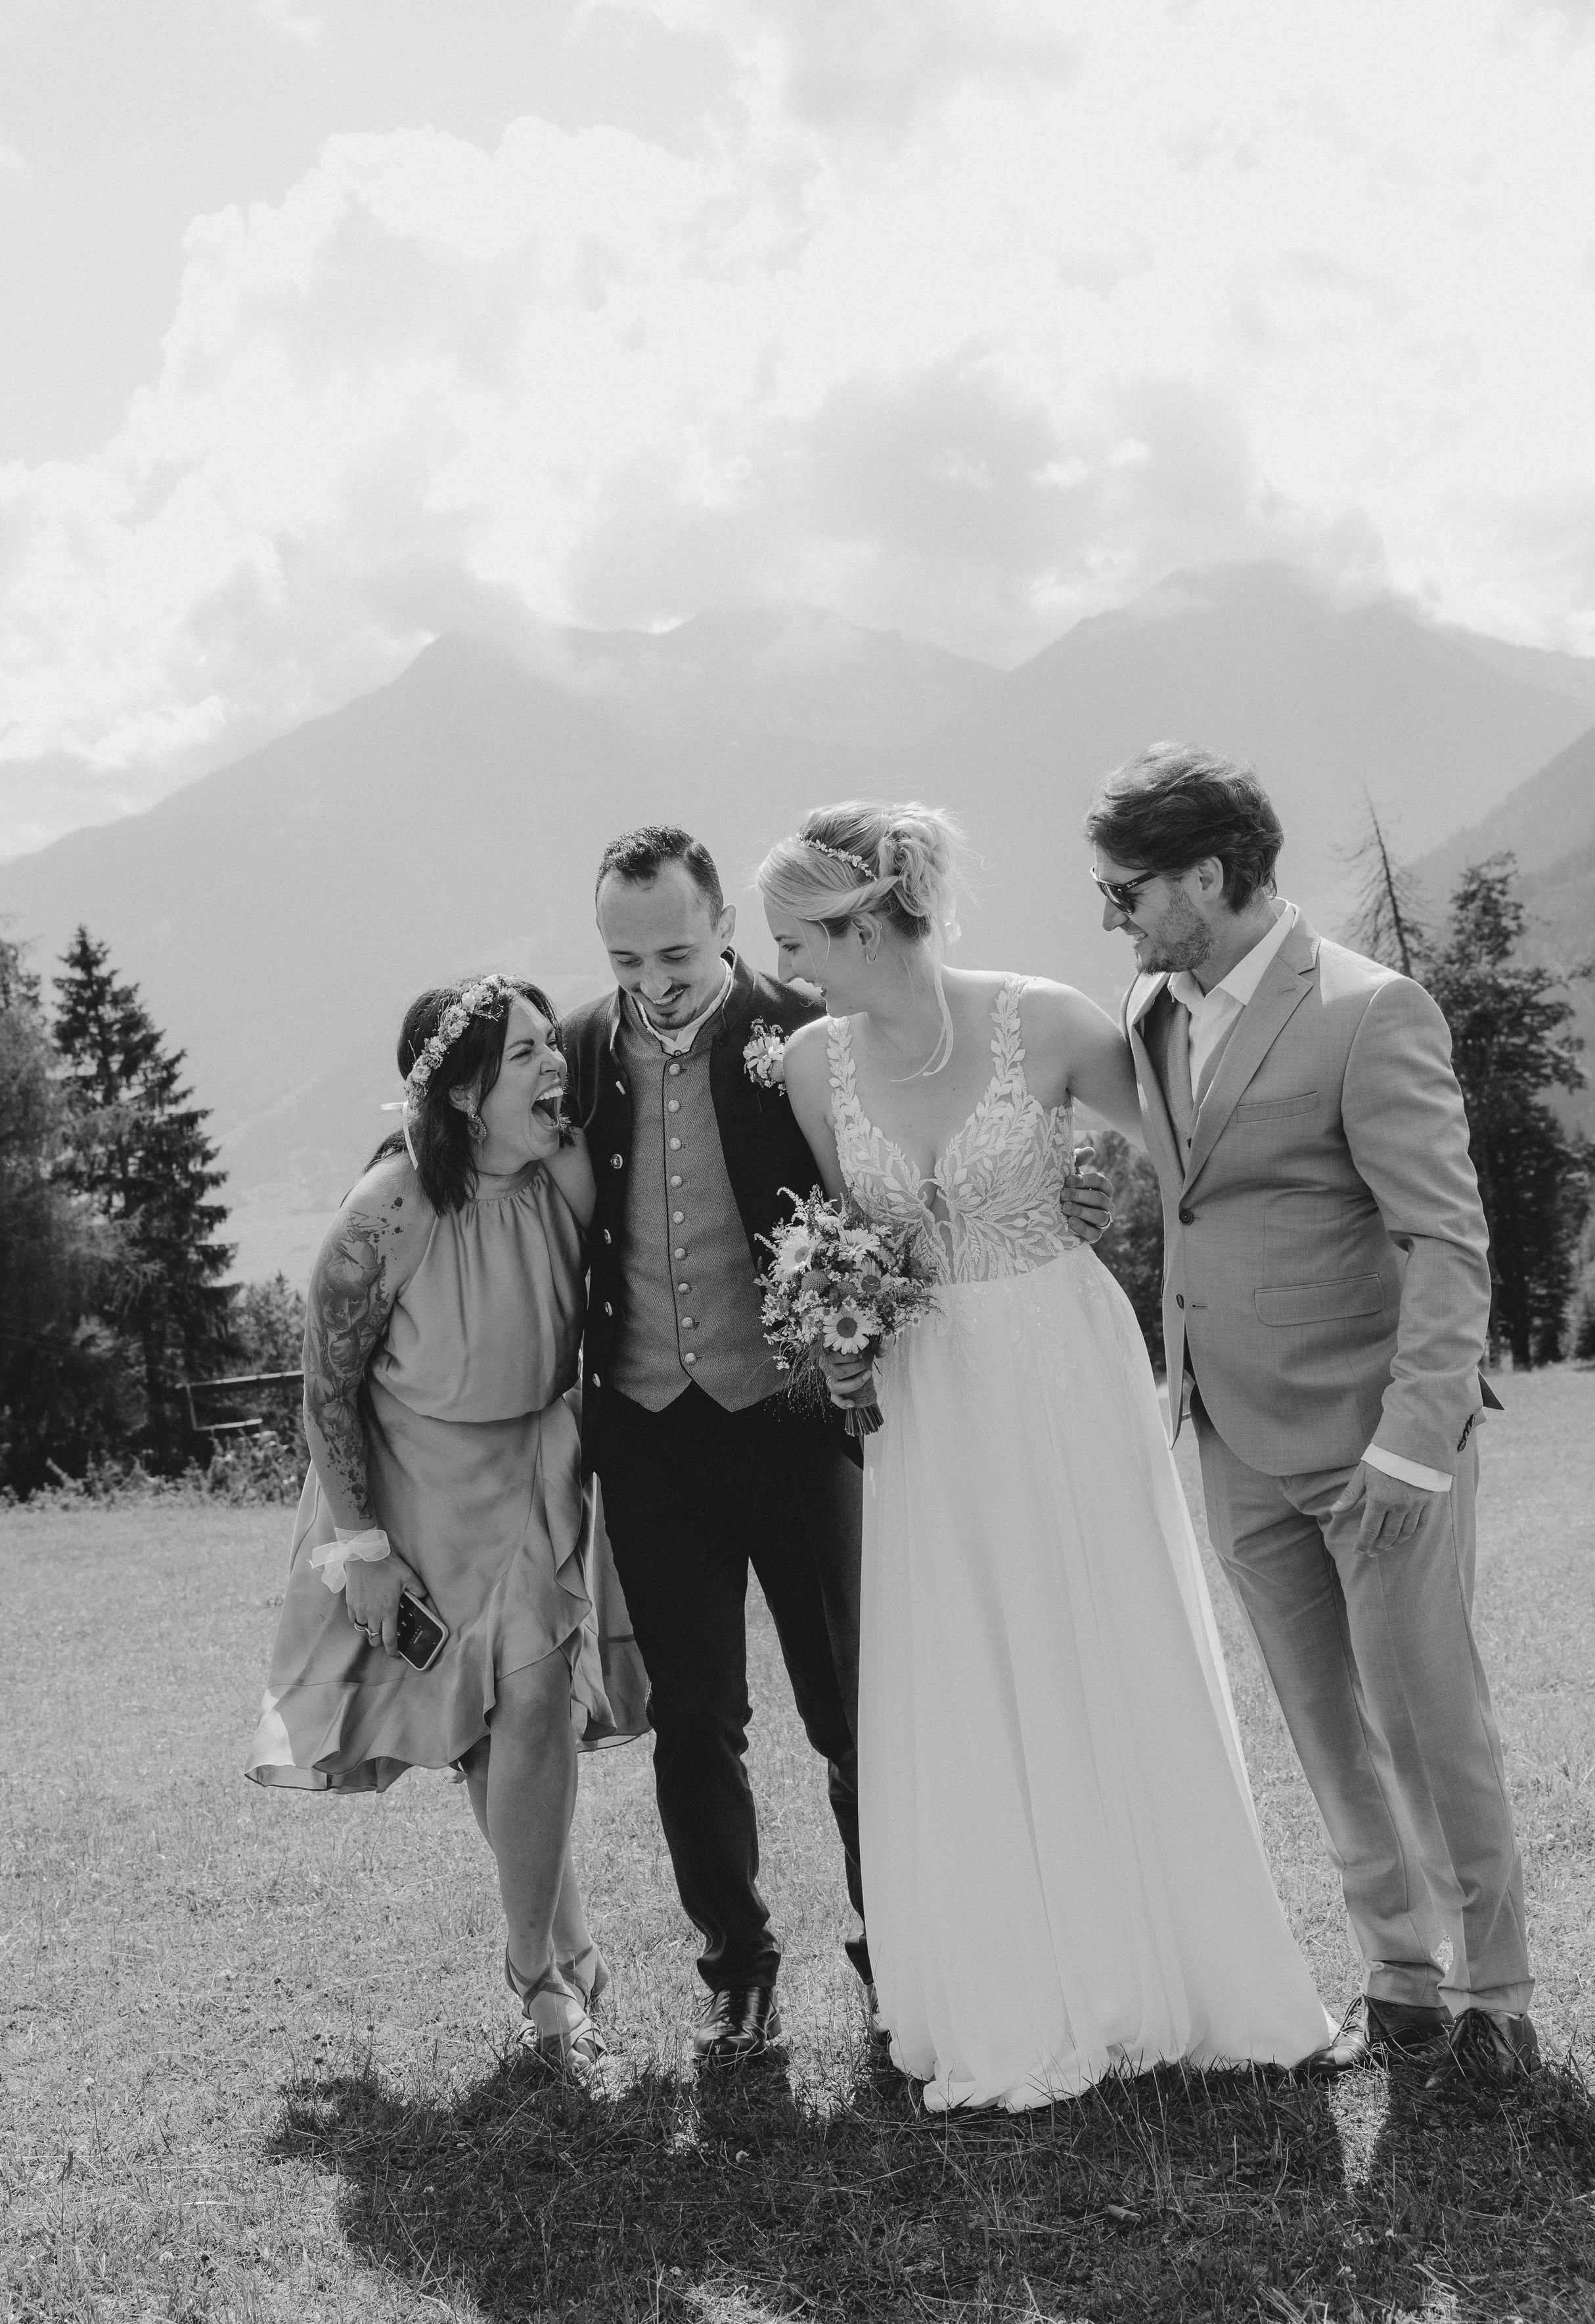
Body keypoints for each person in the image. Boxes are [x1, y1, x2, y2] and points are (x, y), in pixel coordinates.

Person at [762, 801, 1332, 2112]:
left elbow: (1183, 1164)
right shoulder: (809, 1067)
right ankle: (1007, 1976)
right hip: (924, 1395)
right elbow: (854, 1238)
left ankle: (1167, 1964)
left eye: (799, 937)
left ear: (866, 920)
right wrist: (842, 1335)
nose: (783, 963)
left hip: (1062, 1364)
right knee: (963, 1655)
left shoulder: (1051, 1020)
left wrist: (1113, 1190)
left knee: (1099, 1629)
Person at [560, 823, 1120, 2067]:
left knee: (854, 1705)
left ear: (720, 927)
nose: (651, 978)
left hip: (799, 1419)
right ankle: (737, 1965)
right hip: (648, 1432)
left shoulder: (803, 1036)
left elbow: (905, 1173)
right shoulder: (583, 1047)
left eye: (674, 948)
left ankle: (895, 1952)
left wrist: (1079, 1181)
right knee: (696, 1716)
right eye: (623, 955)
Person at [1090, 743, 1535, 2095]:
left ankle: (1495, 2000)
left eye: (1128, 889)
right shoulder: (1152, 1015)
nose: (1113, 913)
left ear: (1211, 876)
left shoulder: (1368, 1009)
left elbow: (1443, 1242)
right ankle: (1397, 1982)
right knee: (1324, 1733)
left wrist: (1415, 1437)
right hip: (1229, 1437)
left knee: (1425, 1722)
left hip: (1372, 1444)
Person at [248, 974, 647, 2080]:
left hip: (536, 1462)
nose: (552, 1068)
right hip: (417, 1479)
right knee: (487, 1718)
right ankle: (560, 1953)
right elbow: (323, 1393)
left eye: (545, 1047)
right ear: (467, 1091)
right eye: (526, 1056)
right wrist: (363, 1554)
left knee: (532, 1698)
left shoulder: (564, 1164)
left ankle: (538, 1969)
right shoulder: (387, 1211)